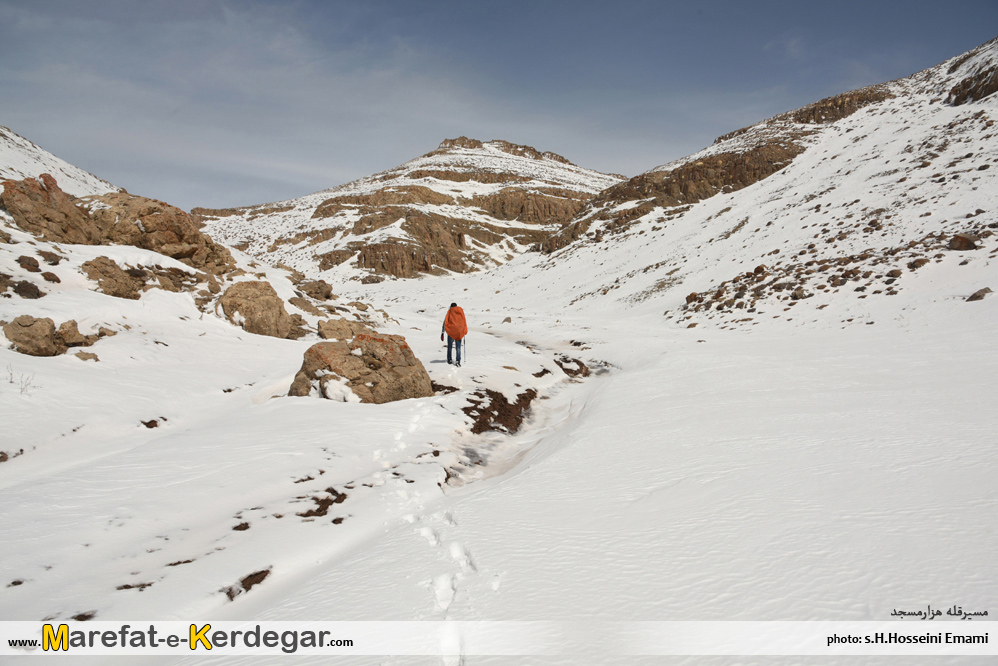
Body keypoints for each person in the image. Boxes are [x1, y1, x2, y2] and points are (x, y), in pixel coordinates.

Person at [441, 302, 468, 367]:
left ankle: (449, 359)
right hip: (459, 332)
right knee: (458, 347)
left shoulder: (449, 312)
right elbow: (463, 322)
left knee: (450, 346)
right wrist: (463, 331)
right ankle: (458, 361)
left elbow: (445, 322)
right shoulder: (460, 312)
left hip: (451, 332)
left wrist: (442, 333)